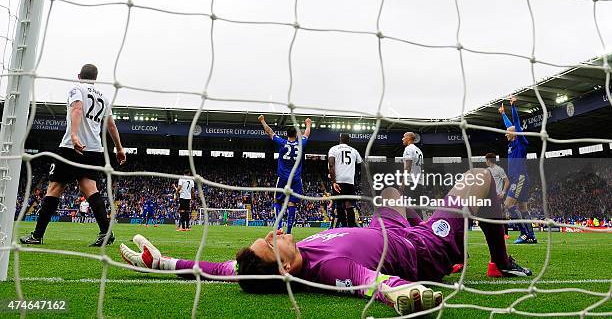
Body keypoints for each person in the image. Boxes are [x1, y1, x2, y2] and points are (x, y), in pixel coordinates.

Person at [120, 168, 532, 316]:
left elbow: (209, 270)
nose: (271, 234)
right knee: (479, 179)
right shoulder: (327, 271)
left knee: (389, 196)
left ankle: (450, 235)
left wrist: (159, 261)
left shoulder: (255, 268)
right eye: (270, 244)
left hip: (386, 226)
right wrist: (406, 293)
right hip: (419, 246)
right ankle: (501, 259)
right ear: (285, 269)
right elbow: (370, 282)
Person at [20, 64, 126, 247]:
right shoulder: (104, 97)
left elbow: (76, 109)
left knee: (54, 188)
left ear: (79, 76)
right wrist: (119, 148)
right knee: (90, 189)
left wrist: (75, 135)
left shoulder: (77, 89)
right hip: (94, 150)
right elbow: (111, 126)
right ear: (95, 78)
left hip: (72, 147)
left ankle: (37, 235)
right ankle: (106, 232)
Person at [258, 115, 311, 234]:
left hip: (283, 177)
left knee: (277, 201)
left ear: (287, 134)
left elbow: (270, 132)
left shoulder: (282, 142)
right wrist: (308, 123)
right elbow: (307, 134)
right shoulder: (301, 143)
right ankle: (289, 231)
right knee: (292, 203)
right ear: (296, 135)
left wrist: (262, 121)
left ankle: (278, 228)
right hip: (296, 178)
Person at [499, 96, 537, 244]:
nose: (505, 133)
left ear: (515, 134)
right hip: (519, 178)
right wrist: (503, 113)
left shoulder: (520, 142)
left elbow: (515, 125)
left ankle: (523, 233)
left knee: (508, 205)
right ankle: (531, 236)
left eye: (508, 132)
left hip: (519, 178)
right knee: (523, 208)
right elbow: (510, 126)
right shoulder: (511, 144)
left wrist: (513, 107)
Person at [328, 133, 362, 227]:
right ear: (349, 141)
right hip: (349, 181)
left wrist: (333, 182)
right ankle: (351, 228)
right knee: (349, 205)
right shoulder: (354, 151)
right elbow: (360, 163)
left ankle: (342, 227)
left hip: (338, 180)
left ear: (340, 140)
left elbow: (331, 165)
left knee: (339, 204)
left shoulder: (333, 149)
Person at [485, 153, 510, 238]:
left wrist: (503, 192)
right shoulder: (487, 170)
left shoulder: (499, 169)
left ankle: (505, 233)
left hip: (497, 196)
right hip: (489, 197)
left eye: (486, 160)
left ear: (488, 160)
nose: (485, 162)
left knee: (501, 214)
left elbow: (507, 181)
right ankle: (493, 233)